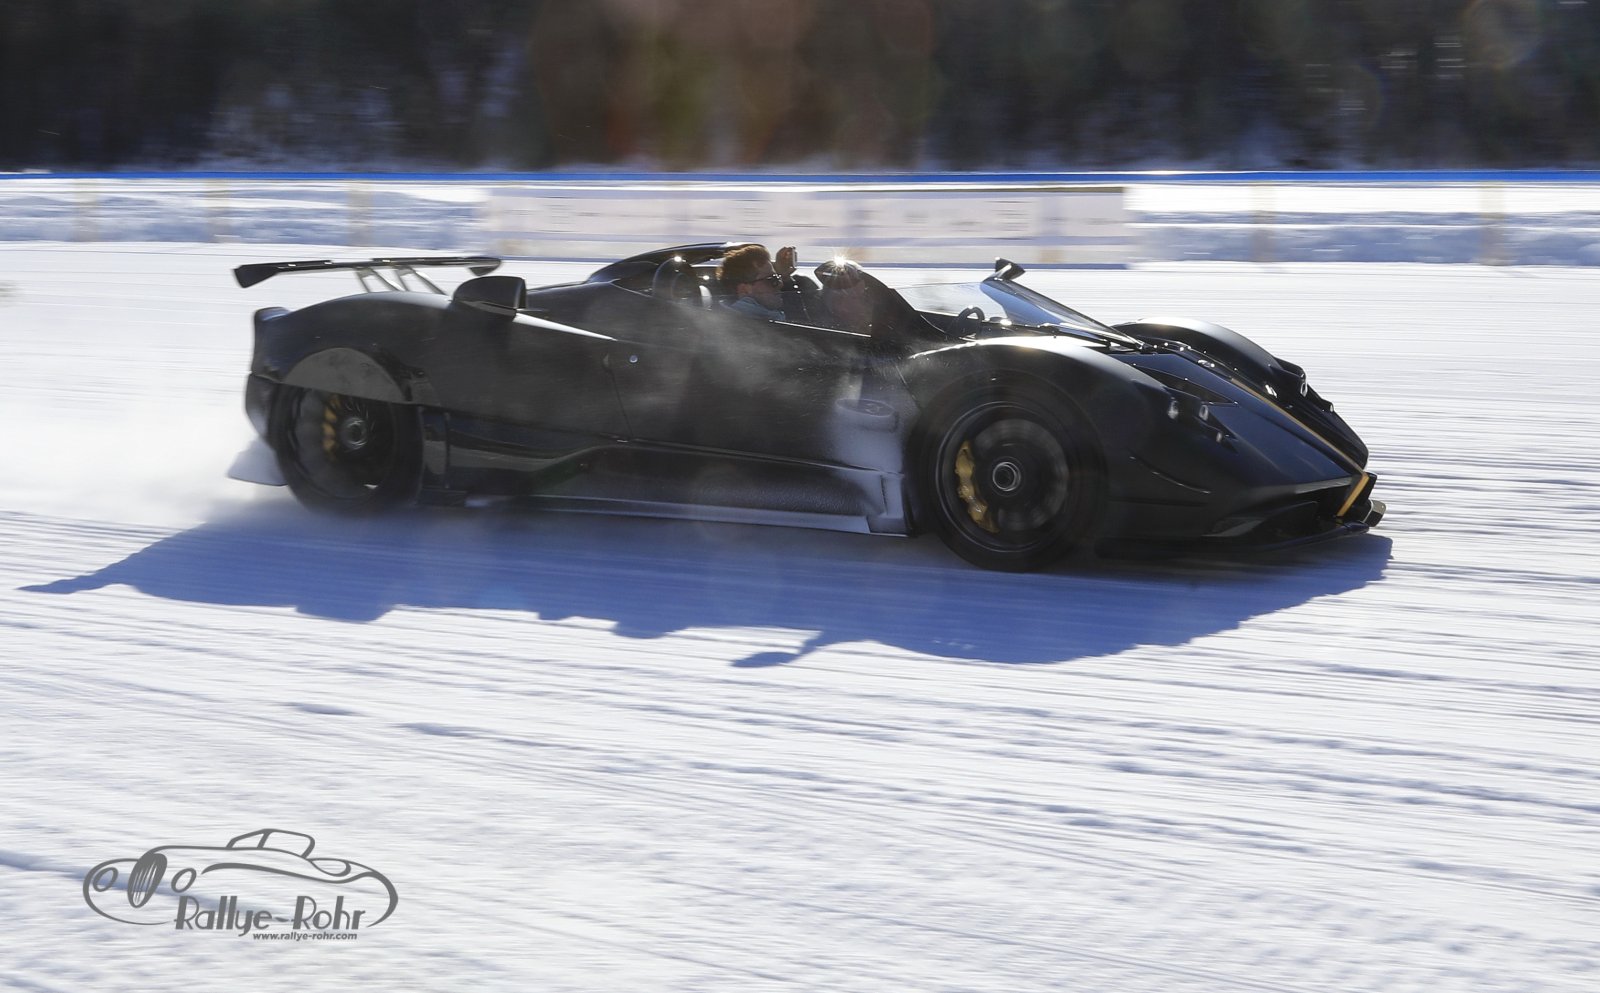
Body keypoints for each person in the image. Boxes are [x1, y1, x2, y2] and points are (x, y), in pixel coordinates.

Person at [716, 244, 803, 321]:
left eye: (777, 278)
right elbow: (801, 330)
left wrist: (785, 277)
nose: (780, 284)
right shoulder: (756, 326)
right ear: (744, 290)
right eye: (771, 280)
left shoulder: (754, 318)